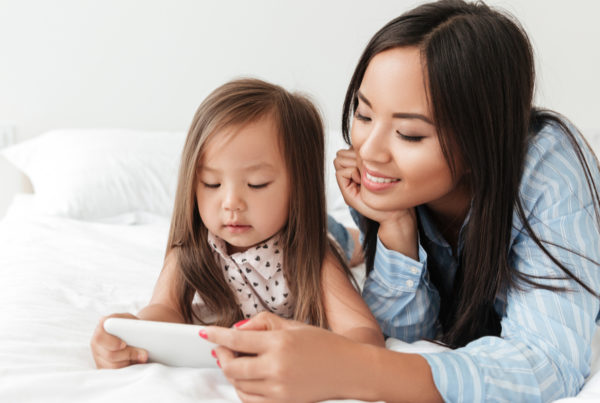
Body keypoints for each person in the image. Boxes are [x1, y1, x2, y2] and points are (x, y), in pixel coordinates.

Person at [203, 1, 600, 402]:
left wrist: (348, 367)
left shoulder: (549, 170)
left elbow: (549, 364)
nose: (370, 150)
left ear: (481, 138)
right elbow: (406, 335)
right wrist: (396, 230)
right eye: (363, 114)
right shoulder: (390, 184)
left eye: (409, 134)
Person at [90, 78, 384, 369]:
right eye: (212, 183)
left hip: (312, 232)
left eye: (256, 184)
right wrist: (133, 332)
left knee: (352, 243)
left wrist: (316, 352)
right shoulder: (191, 251)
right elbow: (166, 309)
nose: (231, 202)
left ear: (300, 188)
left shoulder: (314, 258)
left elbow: (363, 333)